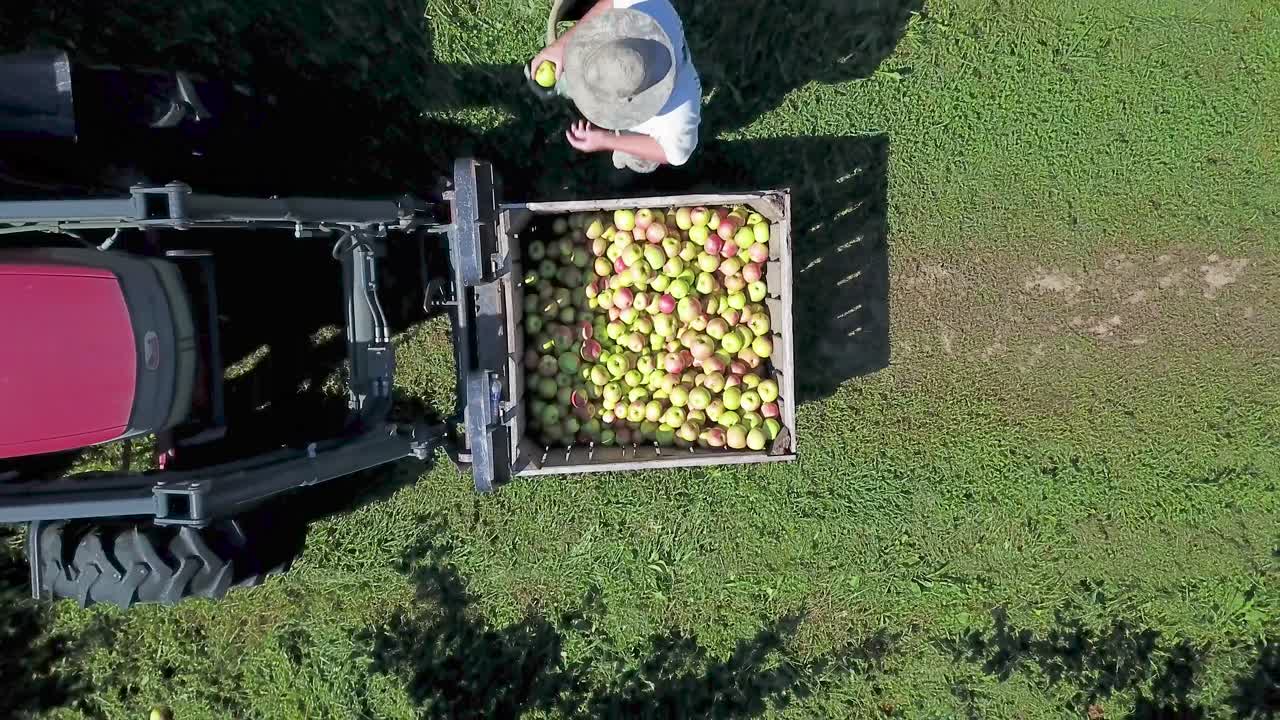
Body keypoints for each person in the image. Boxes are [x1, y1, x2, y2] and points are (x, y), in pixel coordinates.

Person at [529, 0, 701, 173]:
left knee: (640, 161)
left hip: (652, 121)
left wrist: (607, 140)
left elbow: (672, 154)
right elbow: (612, 1)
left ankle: (627, 153)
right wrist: (563, 43)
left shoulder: (677, 116)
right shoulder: (648, 6)